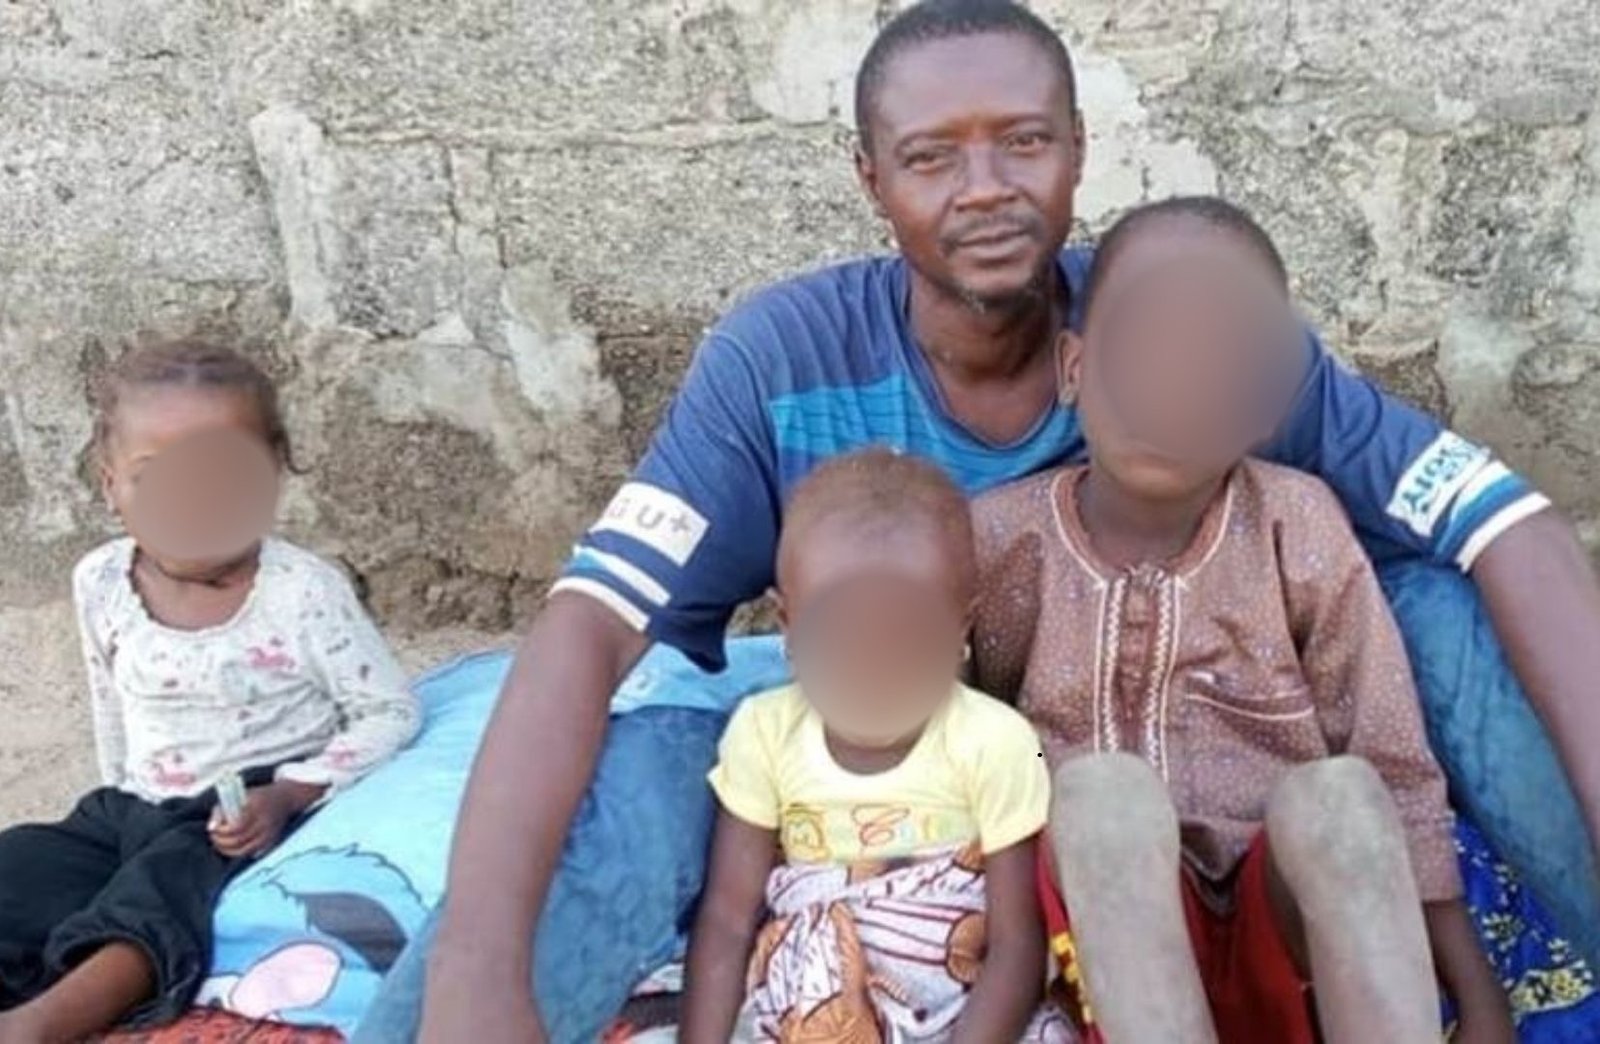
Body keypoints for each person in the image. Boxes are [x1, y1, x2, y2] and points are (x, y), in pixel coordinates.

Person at [364, 2, 1600, 1040]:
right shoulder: (777, 361)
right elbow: (590, 623)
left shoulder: (1175, 316)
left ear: (1078, 150)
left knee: (1442, 607)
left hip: (1175, 811)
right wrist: (481, 965)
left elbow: (1508, 522)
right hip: (902, 751)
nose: (986, 189)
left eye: (1022, 142)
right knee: (646, 760)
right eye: (930, 156)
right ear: (868, 176)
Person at [970, 196, 1513, 1044]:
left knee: (1339, 795)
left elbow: (1392, 761)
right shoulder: (1002, 538)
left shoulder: (1298, 523)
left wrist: (1478, 997)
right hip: (1099, 947)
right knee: (1100, 797)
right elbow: (956, 732)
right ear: (1075, 367)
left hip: (1283, 929)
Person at [0, 340, 421, 1044]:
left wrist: (291, 794)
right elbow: (111, 700)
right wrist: (118, 806)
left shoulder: (300, 592)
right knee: (22, 864)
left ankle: (43, 1025)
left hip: (237, 812)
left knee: (161, 892)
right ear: (109, 484)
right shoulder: (100, 580)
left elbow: (389, 711)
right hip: (132, 806)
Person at [680, 449, 1069, 1043]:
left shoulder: (996, 741)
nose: (873, 665)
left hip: (963, 1010)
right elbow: (730, 918)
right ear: (788, 627)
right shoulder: (763, 732)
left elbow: (1018, 941)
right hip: (813, 1005)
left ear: (961, 628)